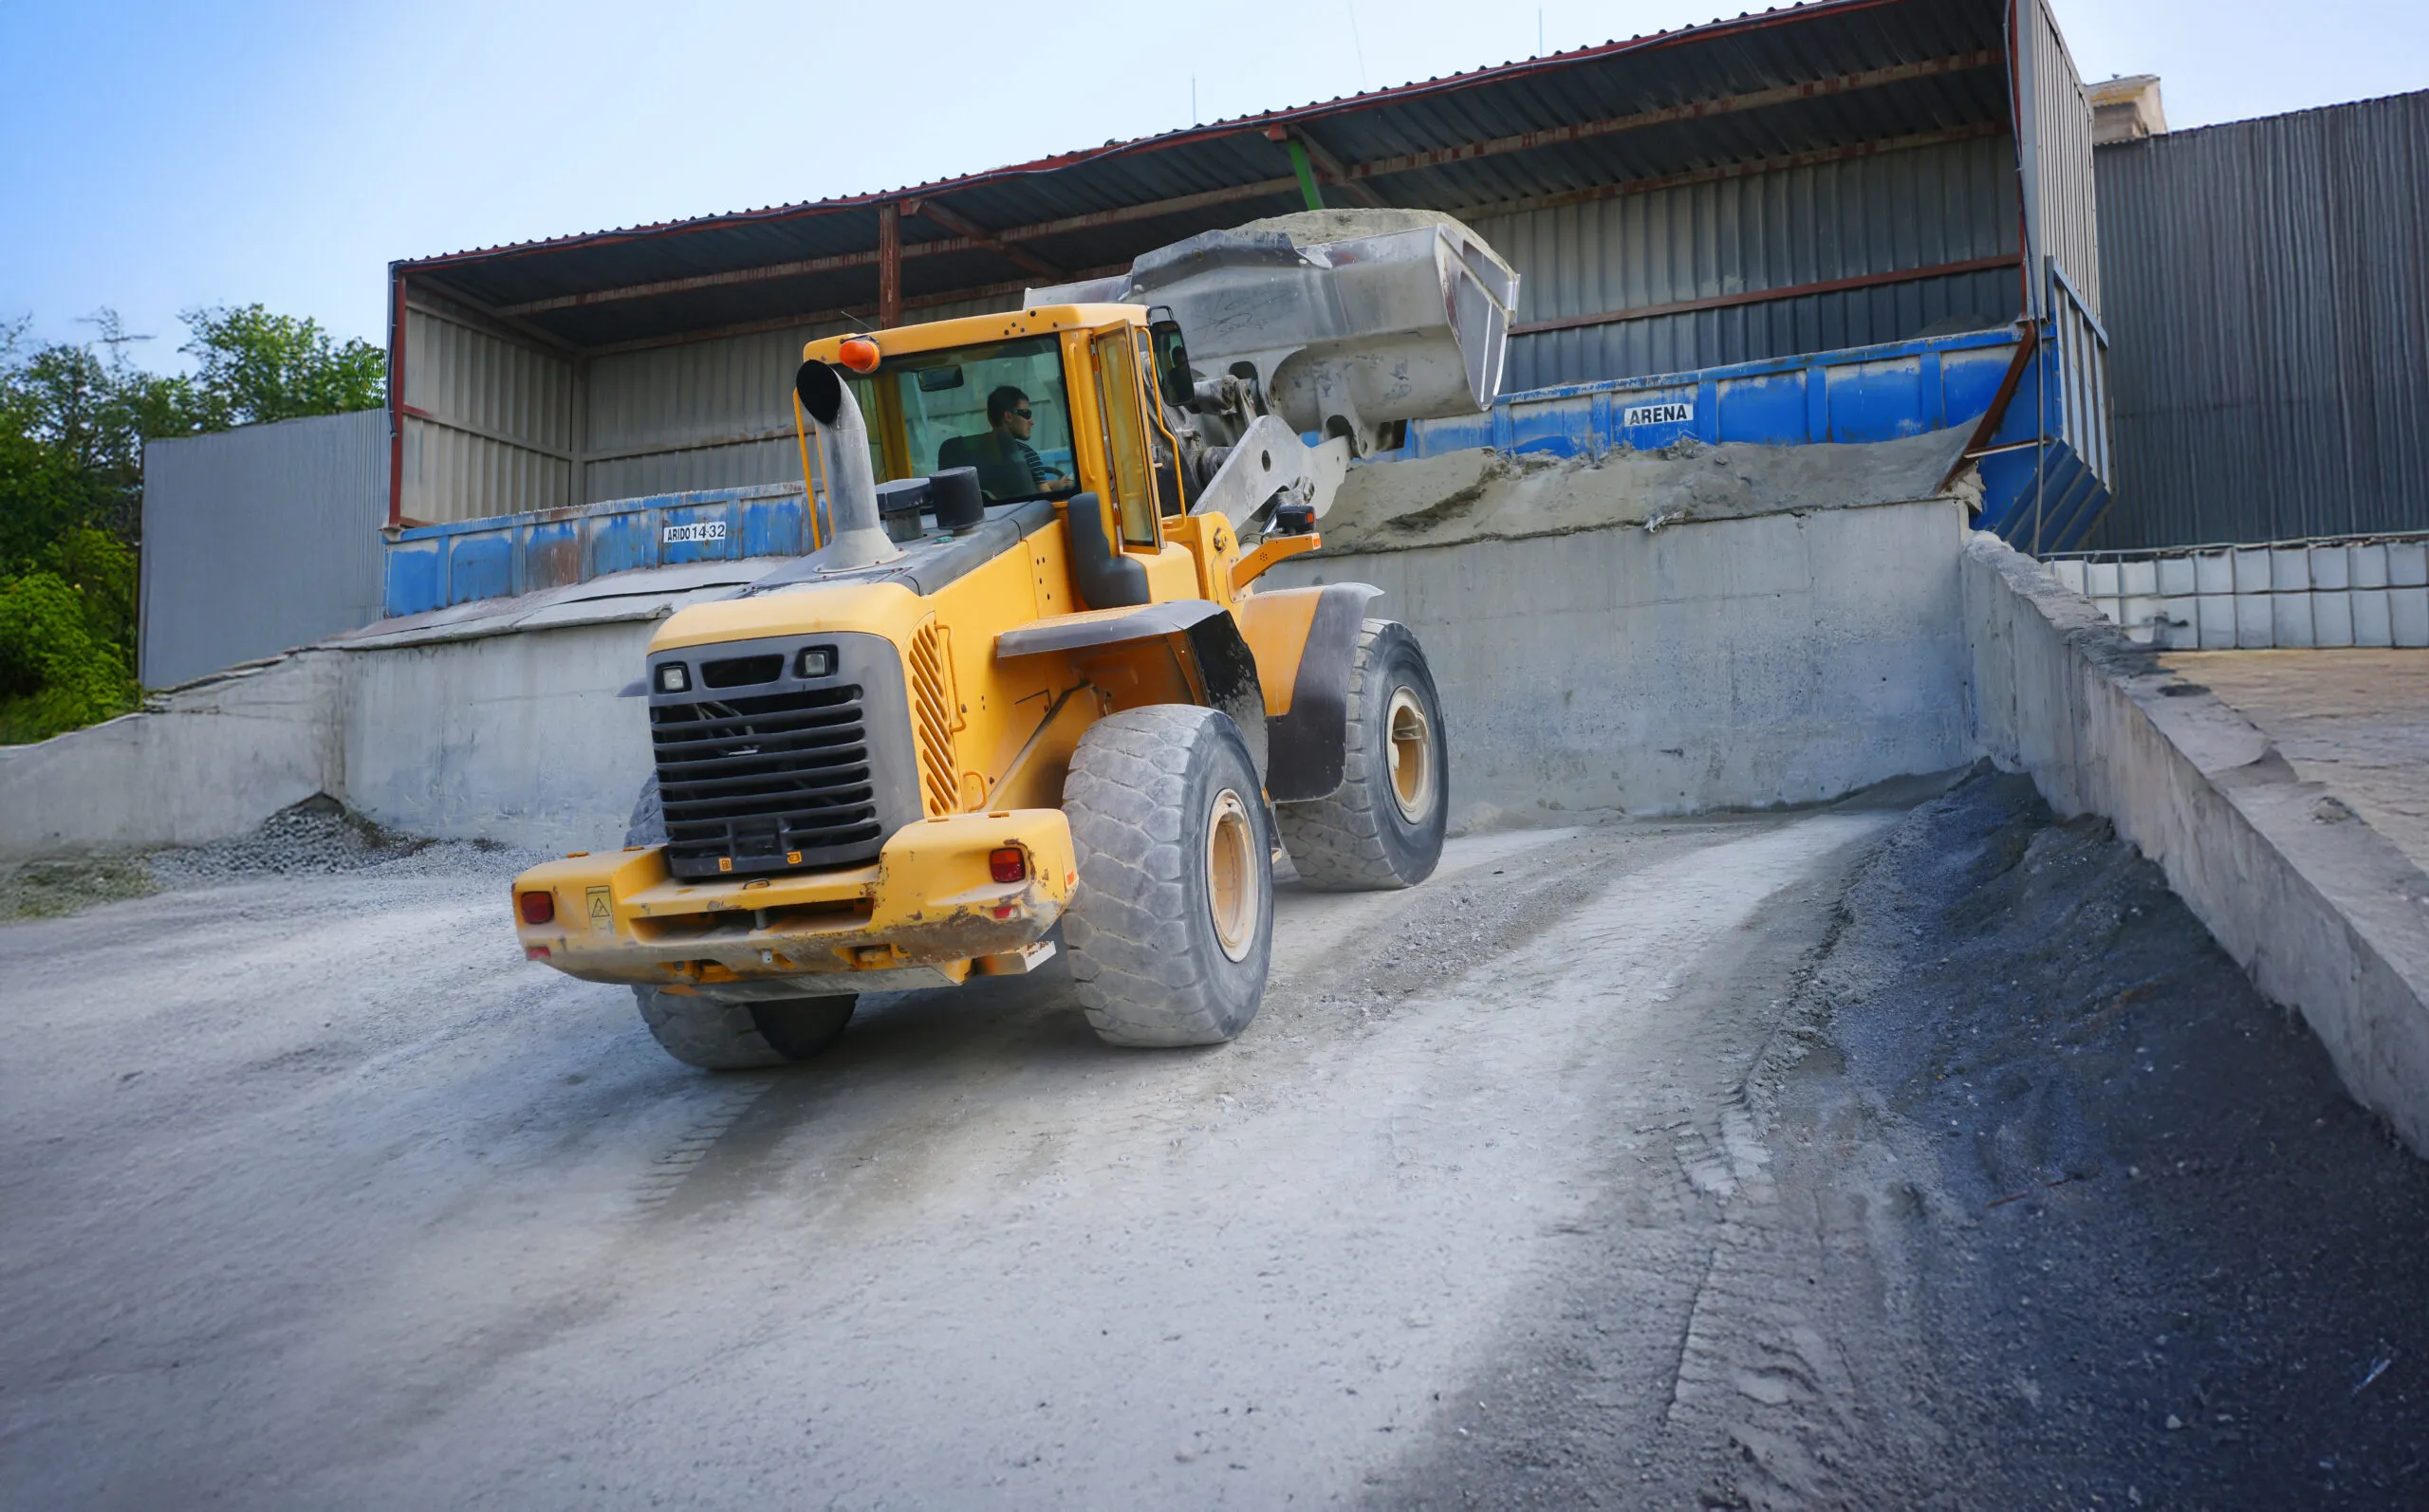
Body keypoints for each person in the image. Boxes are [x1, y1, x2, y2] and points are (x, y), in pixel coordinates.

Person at [939, 386, 1074, 500]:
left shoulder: (959, 452)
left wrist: (1054, 484)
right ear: (1008, 416)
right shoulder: (1025, 455)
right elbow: (1046, 499)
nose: (1032, 421)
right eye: (1026, 414)